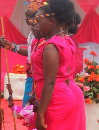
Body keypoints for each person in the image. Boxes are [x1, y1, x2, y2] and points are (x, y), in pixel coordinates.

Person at [32, 0, 85, 129]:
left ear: (50, 21)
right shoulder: (63, 40)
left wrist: (40, 114)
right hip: (58, 97)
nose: (36, 26)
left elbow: (50, 82)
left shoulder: (51, 46)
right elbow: (65, 77)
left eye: (39, 22)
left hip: (55, 101)